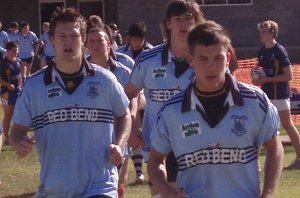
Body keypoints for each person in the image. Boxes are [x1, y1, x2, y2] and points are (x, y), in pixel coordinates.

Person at [148, 20, 284, 198]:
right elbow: (155, 161)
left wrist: (268, 194)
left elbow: (275, 148)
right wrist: (167, 193)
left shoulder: (255, 101)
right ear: (191, 60)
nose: (211, 67)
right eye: (203, 59)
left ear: (227, 58)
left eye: (218, 58)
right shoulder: (171, 111)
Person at [10, 7, 131, 198]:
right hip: (54, 187)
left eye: (74, 36)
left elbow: (124, 114)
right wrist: (18, 142)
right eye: (62, 36)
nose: (68, 42)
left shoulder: (105, 80)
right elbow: (16, 130)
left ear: (83, 39)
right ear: (52, 40)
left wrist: (120, 144)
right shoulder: (34, 86)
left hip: (100, 184)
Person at [125, 0, 205, 196]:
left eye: (189, 18)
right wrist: (133, 127)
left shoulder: (208, 60)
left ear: (197, 22)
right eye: (178, 19)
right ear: (168, 23)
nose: (184, 24)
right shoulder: (148, 59)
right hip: (158, 147)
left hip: (198, 145)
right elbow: (128, 95)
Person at [86, 26, 132, 198]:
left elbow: (136, 100)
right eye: (92, 41)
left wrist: (133, 125)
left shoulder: (123, 71)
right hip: (90, 138)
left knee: (117, 183)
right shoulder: (78, 73)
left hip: (117, 135)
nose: (96, 44)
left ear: (110, 43)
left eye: (100, 40)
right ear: (86, 45)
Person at [253, 20, 300, 169]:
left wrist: (268, 79)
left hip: (279, 94)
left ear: (272, 32)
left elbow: (288, 75)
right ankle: (256, 164)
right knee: (259, 126)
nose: (261, 34)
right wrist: (257, 79)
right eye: (260, 31)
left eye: (264, 31)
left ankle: (299, 158)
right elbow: (260, 73)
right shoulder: (261, 52)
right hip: (265, 95)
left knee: (287, 124)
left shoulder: (279, 51)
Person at [117, 21, 154, 185]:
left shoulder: (153, 53)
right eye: (133, 40)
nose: (136, 43)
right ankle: (138, 172)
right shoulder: (120, 53)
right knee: (131, 133)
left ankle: (151, 168)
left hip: (147, 98)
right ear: (128, 39)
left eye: (139, 40)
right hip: (127, 97)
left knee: (145, 135)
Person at [0, 41, 22, 145]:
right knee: (8, 115)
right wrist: (7, 85)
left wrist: (22, 86)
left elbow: (19, 75)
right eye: (14, 50)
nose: (16, 53)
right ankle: (7, 138)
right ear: (8, 51)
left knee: (20, 114)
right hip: (7, 92)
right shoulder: (3, 64)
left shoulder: (18, 61)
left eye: (17, 50)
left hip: (18, 91)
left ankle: (19, 136)